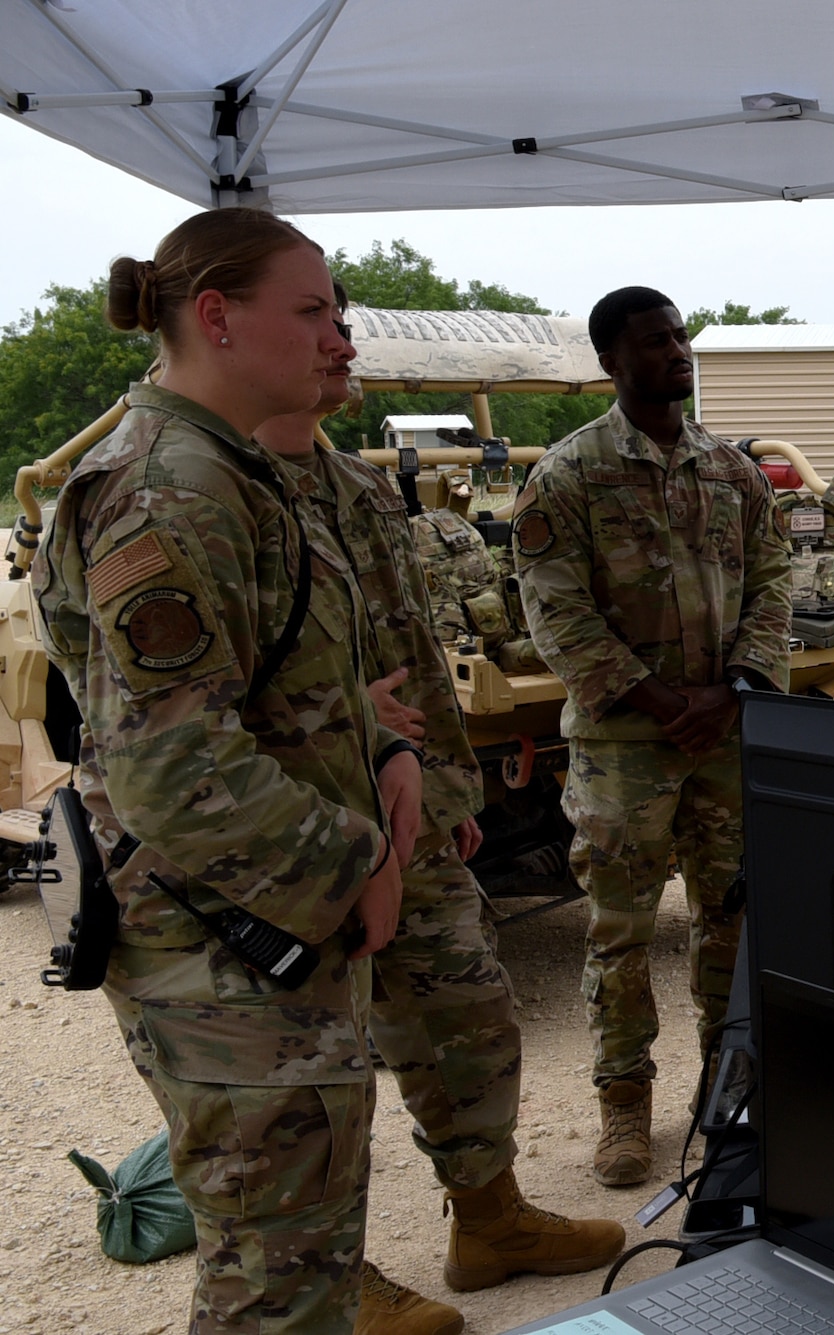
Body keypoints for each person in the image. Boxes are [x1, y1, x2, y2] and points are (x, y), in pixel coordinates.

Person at [32, 209, 417, 1332]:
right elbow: (169, 766)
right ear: (217, 318)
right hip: (222, 948)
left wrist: (381, 747)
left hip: (254, 933)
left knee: (298, 1252)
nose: (332, 332)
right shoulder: (172, 490)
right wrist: (360, 862)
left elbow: (257, 687)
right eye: (308, 311)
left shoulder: (237, 475)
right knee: (276, 1284)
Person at [253, 286, 623, 1332]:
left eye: (341, 323)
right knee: (304, 1067)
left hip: (403, 804)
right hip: (282, 825)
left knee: (466, 1012)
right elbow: (156, 718)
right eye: (316, 319)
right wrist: (335, 721)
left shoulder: (352, 486)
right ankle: (328, 1280)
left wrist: (449, 786)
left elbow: (410, 646)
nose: (343, 343)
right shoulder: (197, 487)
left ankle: (488, 1217)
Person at [514, 286, 792, 1186]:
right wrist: (659, 698)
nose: (677, 351)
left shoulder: (731, 470)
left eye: (679, 336)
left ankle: (727, 1093)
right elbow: (554, 610)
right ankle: (624, 1108)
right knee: (621, 935)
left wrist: (738, 684)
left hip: (725, 734)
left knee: (731, 922)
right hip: (626, 745)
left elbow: (774, 576)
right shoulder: (568, 475)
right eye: (654, 341)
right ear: (611, 361)